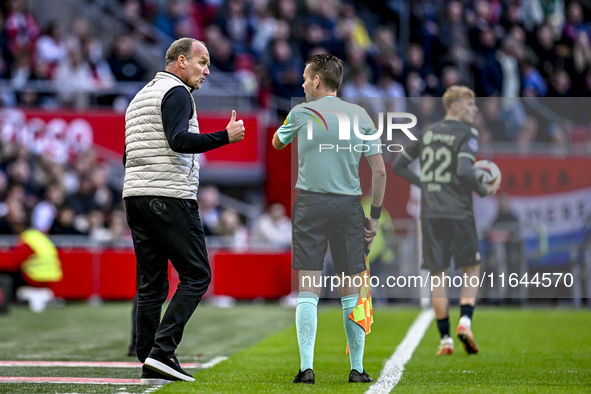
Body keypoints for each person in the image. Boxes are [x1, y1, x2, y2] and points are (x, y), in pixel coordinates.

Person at [123, 37, 245, 385]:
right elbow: (178, 140)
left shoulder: (140, 96)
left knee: (151, 284)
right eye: (201, 62)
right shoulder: (176, 92)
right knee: (197, 275)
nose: (207, 70)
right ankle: (163, 351)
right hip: (168, 196)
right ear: (179, 62)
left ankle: (149, 358)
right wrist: (225, 136)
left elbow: (127, 154)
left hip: (135, 195)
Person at [272, 54, 386, 384]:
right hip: (348, 205)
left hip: (310, 203)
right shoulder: (360, 115)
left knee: (309, 288)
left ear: (318, 80)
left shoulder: (300, 112)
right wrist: (374, 219)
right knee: (351, 289)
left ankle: (306, 368)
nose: (304, 84)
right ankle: (358, 369)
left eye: (307, 78)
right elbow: (379, 172)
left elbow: (277, 142)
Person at [392, 86, 499, 356]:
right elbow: (464, 169)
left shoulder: (427, 133)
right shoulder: (467, 133)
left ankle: (445, 340)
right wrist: (483, 189)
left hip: (430, 212)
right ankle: (465, 322)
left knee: (437, 274)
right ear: (454, 106)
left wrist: (425, 184)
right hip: (458, 211)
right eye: (470, 104)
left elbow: (398, 165)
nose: (475, 109)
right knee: (471, 267)